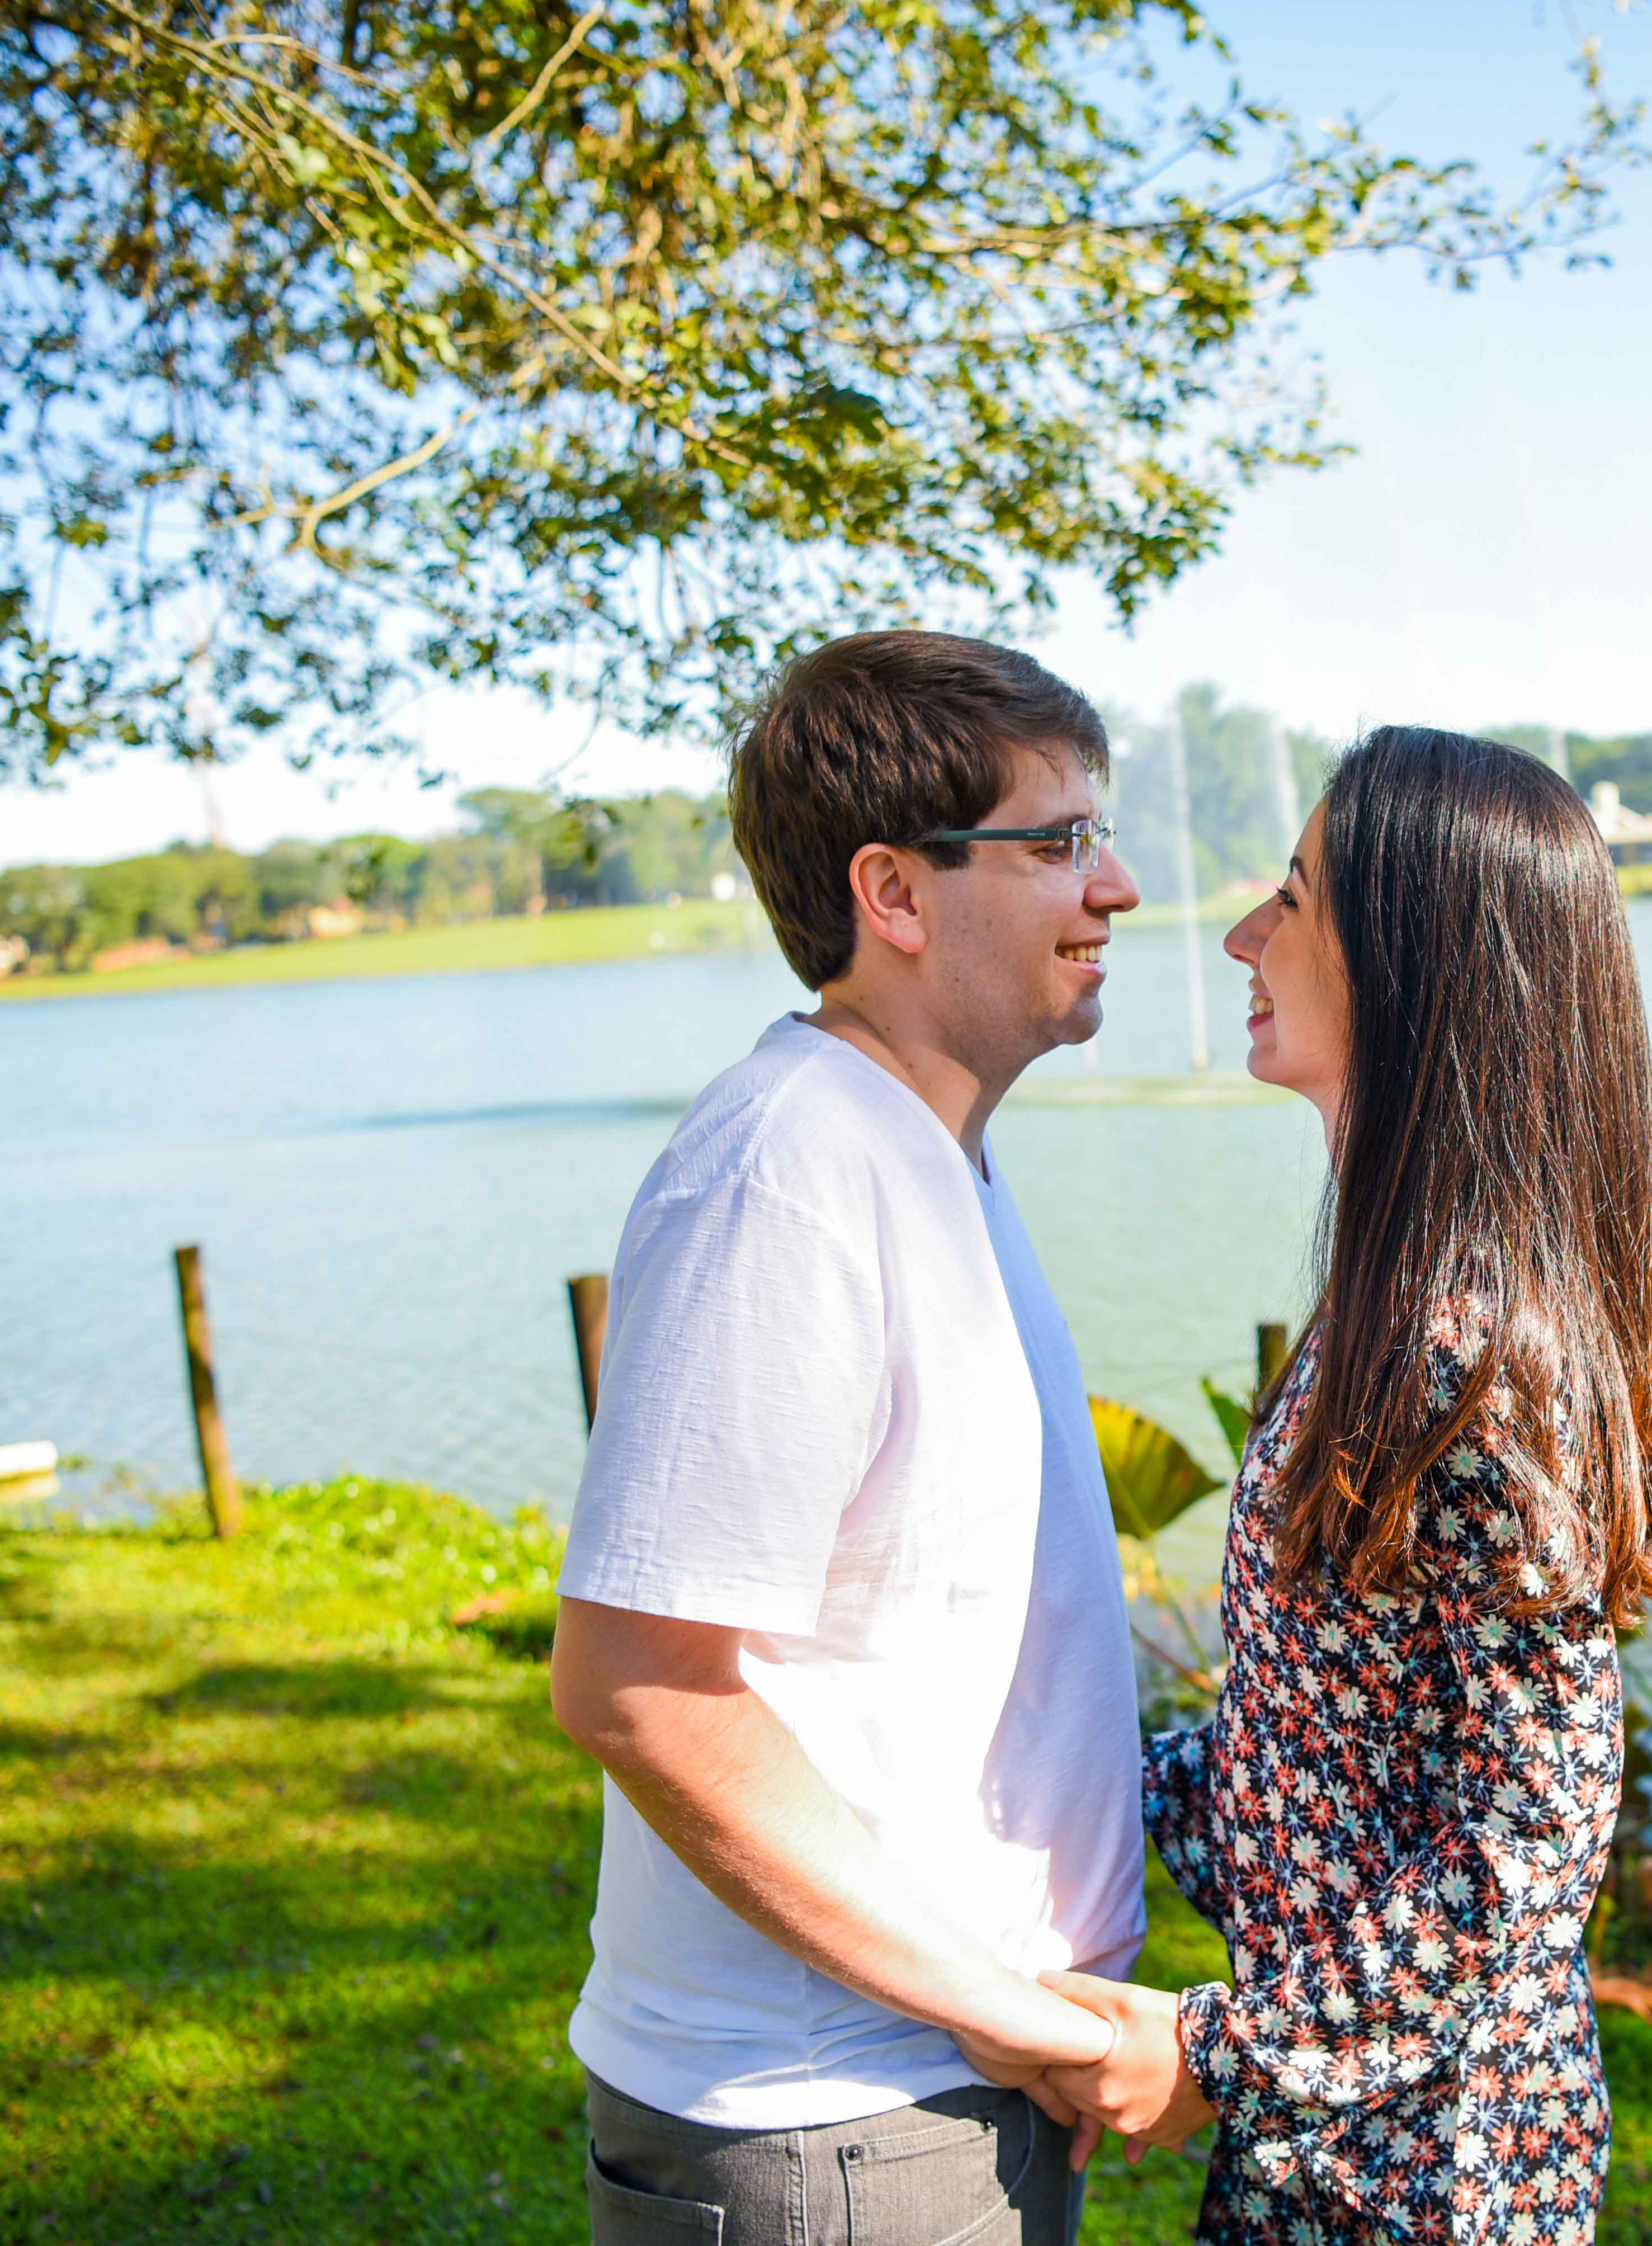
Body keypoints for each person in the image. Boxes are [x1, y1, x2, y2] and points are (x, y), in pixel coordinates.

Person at [1039, 726, 1652, 2243]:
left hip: (1432, 2177)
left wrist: (1223, 2057)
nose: (1242, 936)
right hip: (1351, 2153)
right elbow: (1329, 1762)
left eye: (1293, 899)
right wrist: (1060, 1784)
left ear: (1415, 967)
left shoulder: (1463, 1356)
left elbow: (1528, 1839)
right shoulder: (1396, 1312)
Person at [549, 630, 1146, 2246]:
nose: (1114, 887)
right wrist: (1006, 2011)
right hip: (836, 2125)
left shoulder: (921, 1148)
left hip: (932, 2091)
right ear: (895, 894)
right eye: (1059, 843)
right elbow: (637, 1688)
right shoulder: (790, 1170)